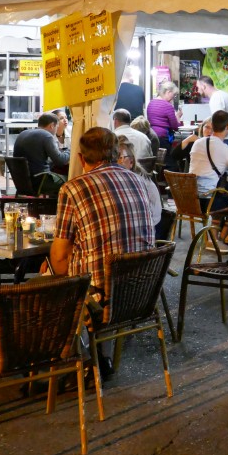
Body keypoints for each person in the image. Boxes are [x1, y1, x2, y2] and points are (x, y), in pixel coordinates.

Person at [50, 127, 155, 379]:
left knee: (41, 285)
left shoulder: (73, 188)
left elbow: (60, 259)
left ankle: (66, 361)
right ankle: (99, 356)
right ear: (116, 154)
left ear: (80, 158)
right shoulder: (138, 181)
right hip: (141, 291)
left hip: (100, 298)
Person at [116, 136, 162, 229]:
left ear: (131, 162)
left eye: (120, 157)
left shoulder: (137, 181)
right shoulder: (123, 177)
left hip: (150, 227)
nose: (116, 162)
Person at [13, 113, 71, 179]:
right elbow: (60, 161)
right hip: (42, 179)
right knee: (70, 179)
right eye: (57, 127)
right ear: (52, 125)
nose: (56, 130)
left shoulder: (23, 133)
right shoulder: (47, 136)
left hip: (22, 179)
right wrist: (70, 151)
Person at [146, 81, 184, 149]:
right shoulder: (168, 106)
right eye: (174, 95)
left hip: (151, 135)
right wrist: (178, 117)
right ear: (168, 92)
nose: (173, 97)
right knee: (166, 156)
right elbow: (175, 127)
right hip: (163, 137)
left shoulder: (150, 103)